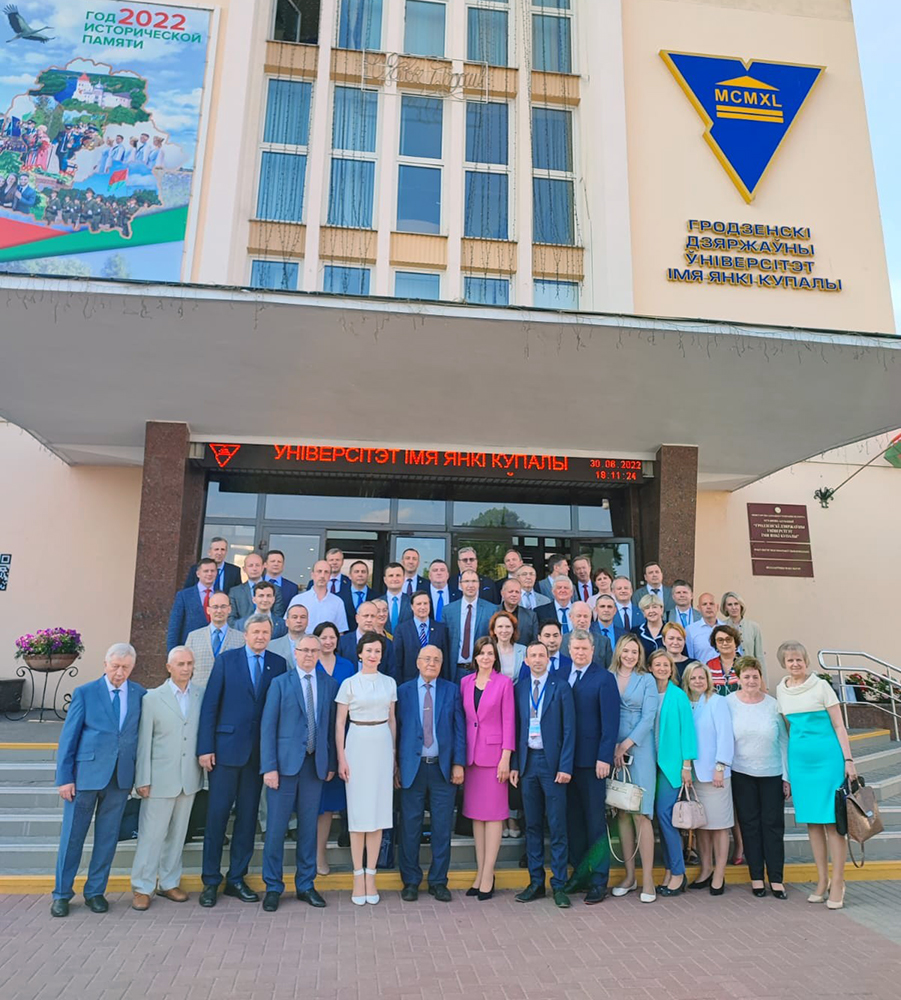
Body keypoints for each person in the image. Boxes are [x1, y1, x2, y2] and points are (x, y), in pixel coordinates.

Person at [197, 615, 288, 907]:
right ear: (246, 634)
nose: (261, 636)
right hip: (224, 752)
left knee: (248, 820)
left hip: (258, 756)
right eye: (256, 631)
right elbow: (210, 704)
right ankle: (210, 881)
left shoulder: (278, 664)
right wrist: (205, 747)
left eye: (265, 632)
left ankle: (236, 878)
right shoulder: (226, 660)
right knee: (217, 818)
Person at [51, 643, 146, 917]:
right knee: (72, 838)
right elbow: (69, 738)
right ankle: (61, 894)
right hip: (84, 778)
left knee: (107, 839)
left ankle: (95, 892)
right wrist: (65, 778)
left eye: (125, 667)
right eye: (115, 666)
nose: (119, 672)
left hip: (119, 779)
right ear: (105, 664)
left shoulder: (140, 694)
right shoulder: (85, 692)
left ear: (132, 667)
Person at [775, 640, 857, 910]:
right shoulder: (781, 690)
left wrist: (848, 760)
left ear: (806, 661)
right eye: (790, 660)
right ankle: (821, 881)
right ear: (783, 664)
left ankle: (838, 881)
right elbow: (788, 729)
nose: (795, 664)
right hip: (801, 764)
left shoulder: (821, 686)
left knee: (833, 823)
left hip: (828, 760)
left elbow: (838, 724)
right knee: (812, 822)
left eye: (799, 659)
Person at [260, 634, 338, 911]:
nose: (308, 655)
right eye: (304, 650)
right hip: (283, 767)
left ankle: (306, 884)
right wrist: (269, 767)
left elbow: (329, 727)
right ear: (295, 652)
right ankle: (273, 886)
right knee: (276, 829)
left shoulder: (329, 684)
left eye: (313, 651)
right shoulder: (280, 683)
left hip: (314, 766)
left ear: (320, 653)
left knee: (308, 829)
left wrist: (330, 763)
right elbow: (268, 728)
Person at [131, 646, 203, 910]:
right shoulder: (152, 698)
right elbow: (144, 743)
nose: (186, 668)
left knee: (178, 834)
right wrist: (143, 779)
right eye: (181, 664)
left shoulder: (200, 695)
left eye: (189, 663)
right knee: (152, 835)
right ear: (168, 667)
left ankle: (169, 882)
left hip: (189, 777)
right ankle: (142, 886)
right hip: (159, 778)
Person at [396, 645, 466, 902]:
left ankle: (438, 881)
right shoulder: (402, 691)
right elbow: (397, 731)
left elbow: (460, 729)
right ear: (417, 662)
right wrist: (396, 765)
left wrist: (458, 763)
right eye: (427, 658)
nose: (432, 663)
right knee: (410, 827)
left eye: (437, 659)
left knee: (441, 827)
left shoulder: (451, 690)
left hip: (442, 769)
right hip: (412, 768)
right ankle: (411, 881)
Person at [511, 641, 575, 908]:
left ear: (548, 659)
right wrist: (515, 764)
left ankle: (558, 884)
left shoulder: (560, 686)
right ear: (526, 660)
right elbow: (514, 728)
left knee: (558, 826)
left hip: (553, 765)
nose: (537, 659)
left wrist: (565, 766)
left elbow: (570, 729)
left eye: (542, 655)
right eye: (532, 655)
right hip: (527, 763)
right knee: (533, 825)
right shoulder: (520, 688)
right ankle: (536, 882)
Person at [558, 631, 620, 904]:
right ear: (569, 649)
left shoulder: (604, 679)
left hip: (592, 763)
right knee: (574, 823)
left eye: (584, 648)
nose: (579, 653)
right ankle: (580, 875)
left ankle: (599, 881)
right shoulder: (561, 674)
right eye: (575, 648)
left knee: (595, 824)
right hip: (565, 763)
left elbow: (610, 723)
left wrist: (604, 758)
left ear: (593, 650)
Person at [335, 632, 398, 905]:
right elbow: (339, 723)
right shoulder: (349, 683)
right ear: (359, 653)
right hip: (357, 743)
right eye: (369, 650)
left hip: (382, 744)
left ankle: (371, 874)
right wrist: (342, 758)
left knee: (378, 813)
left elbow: (393, 720)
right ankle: (357, 875)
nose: (373, 655)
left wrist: (394, 756)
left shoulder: (389, 683)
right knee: (359, 814)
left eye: (377, 651)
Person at [727, 656, 788, 899]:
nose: (751, 681)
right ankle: (756, 877)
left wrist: (787, 776)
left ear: (760, 678)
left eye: (755, 676)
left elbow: (783, 740)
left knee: (773, 826)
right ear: (738, 679)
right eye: (747, 676)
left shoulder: (773, 705)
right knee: (750, 826)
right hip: (742, 773)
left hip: (771, 773)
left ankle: (776, 878)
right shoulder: (728, 703)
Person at [460, 637, 515, 899]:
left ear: (495, 657)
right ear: (476, 657)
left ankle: (488, 874)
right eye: (481, 653)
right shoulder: (465, 682)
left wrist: (506, 758)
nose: (485, 657)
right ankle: (480, 872)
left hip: (494, 758)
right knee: (476, 816)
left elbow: (509, 722)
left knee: (493, 817)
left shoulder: (504, 683)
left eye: (490, 653)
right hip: (471, 757)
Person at [609, 634, 658, 903]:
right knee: (622, 813)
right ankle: (630, 876)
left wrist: (625, 745)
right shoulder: (609, 675)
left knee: (641, 813)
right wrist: (612, 748)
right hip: (612, 751)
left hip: (638, 751)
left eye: (635, 652)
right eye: (626, 651)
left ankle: (648, 878)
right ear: (619, 652)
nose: (630, 655)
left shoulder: (647, 679)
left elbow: (649, 717)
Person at [647, 649, 696, 897]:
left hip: (671, 766)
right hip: (649, 764)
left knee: (666, 817)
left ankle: (678, 873)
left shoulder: (678, 696)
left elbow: (688, 732)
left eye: (666, 665)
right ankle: (669, 870)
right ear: (651, 667)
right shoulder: (647, 693)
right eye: (657, 664)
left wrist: (686, 766)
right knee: (659, 818)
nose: (662, 668)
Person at [682, 661, 735, 895]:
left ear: (708, 679)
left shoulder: (717, 702)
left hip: (716, 775)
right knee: (702, 826)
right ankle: (705, 870)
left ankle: (719, 874)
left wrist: (720, 767)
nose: (697, 682)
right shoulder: (686, 704)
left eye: (701, 678)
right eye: (693, 678)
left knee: (720, 826)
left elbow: (725, 736)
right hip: (693, 776)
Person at [313, 622, 355, 875]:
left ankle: (320, 855)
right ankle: (309, 855)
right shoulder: (309, 662)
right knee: (311, 803)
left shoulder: (347, 666)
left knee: (329, 804)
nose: (328, 641)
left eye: (332, 637)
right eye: (323, 637)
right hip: (313, 738)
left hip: (341, 738)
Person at [445, 569, 496, 682]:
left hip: (480, 669)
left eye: (474, 581)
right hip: (455, 670)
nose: (470, 585)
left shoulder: (491, 610)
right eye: (466, 581)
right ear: (460, 584)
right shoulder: (448, 610)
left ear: (479, 584)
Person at [185, 592, 244, 685]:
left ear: (229, 609)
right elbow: (186, 669)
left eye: (223, 606)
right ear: (208, 610)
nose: (219, 611)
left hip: (229, 693)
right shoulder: (193, 637)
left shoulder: (241, 638)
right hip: (199, 694)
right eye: (215, 607)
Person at [393, 588, 450, 683]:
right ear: (412, 607)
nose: (422, 607)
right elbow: (397, 662)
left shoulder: (441, 629)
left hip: (436, 681)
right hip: (409, 683)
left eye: (425, 603)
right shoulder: (402, 630)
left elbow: (445, 660)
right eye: (419, 604)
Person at [167, 558, 218, 650]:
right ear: (198, 574)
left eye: (212, 571)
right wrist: (172, 653)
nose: (209, 574)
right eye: (206, 571)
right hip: (190, 649)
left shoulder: (221, 595)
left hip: (216, 649)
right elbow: (174, 627)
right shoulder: (184, 596)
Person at [290, 559, 349, 633]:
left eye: (326, 572)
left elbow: (340, 632)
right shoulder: (298, 600)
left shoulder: (338, 602)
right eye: (319, 571)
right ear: (312, 575)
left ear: (330, 576)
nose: (322, 575)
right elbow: (289, 626)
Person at [229, 552, 285, 624]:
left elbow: (277, 616)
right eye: (251, 565)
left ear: (263, 567)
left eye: (257, 565)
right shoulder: (235, 592)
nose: (254, 568)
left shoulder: (276, 589)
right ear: (244, 569)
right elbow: (231, 618)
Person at [562, 601, 612, 668]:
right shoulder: (561, 641)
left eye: (586, 616)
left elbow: (610, 669)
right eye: (579, 616)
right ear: (570, 617)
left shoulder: (603, 641)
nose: (582, 620)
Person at [721, 591, 765, 665]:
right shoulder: (721, 627)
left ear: (741, 606)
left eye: (736, 604)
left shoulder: (754, 627)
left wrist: (762, 675)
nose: (733, 607)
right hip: (729, 671)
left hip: (750, 671)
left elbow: (759, 655)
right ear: (725, 608)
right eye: (729, 605)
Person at [496, 577, 538, 646]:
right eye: (511, 591)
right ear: (502, 593)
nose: (514, 595)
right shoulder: (492, 612)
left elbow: (534, 642)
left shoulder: (531, 616)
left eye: (517, 592)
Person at [685, 593, 724, 664]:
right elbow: (689, 658)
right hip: (702, 673)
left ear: (717, 607)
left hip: (723, 674)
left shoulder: (726, 628)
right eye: (704, 604)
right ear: (699, 608)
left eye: (711, 604)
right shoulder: (690, 630)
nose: (708, 607)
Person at [490, 610, 527, 682]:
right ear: (494, 630)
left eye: (508, 626)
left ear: (513, 629)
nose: (504, 630)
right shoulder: (489, 651)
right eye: (500, 626)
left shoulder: (523, 651)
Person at [378, 561, 414, 633]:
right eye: (391, 575)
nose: (394, 579)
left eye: (398, 575)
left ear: (404, 579)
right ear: (385, 580)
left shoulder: (412, 601)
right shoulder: (376, 603)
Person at [707, 624, 742, 693]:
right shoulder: (709, 665)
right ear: (715, 644)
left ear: (735, 642)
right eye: (720, 640)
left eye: (728, 639)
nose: (725, 643)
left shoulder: (746, 664)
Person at [632, 593, 666, 658]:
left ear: (661, 609)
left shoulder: (672, 630)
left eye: (654, 607)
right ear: (643, 612)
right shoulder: (635, 632)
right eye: (647, 608)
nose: (651, 611)